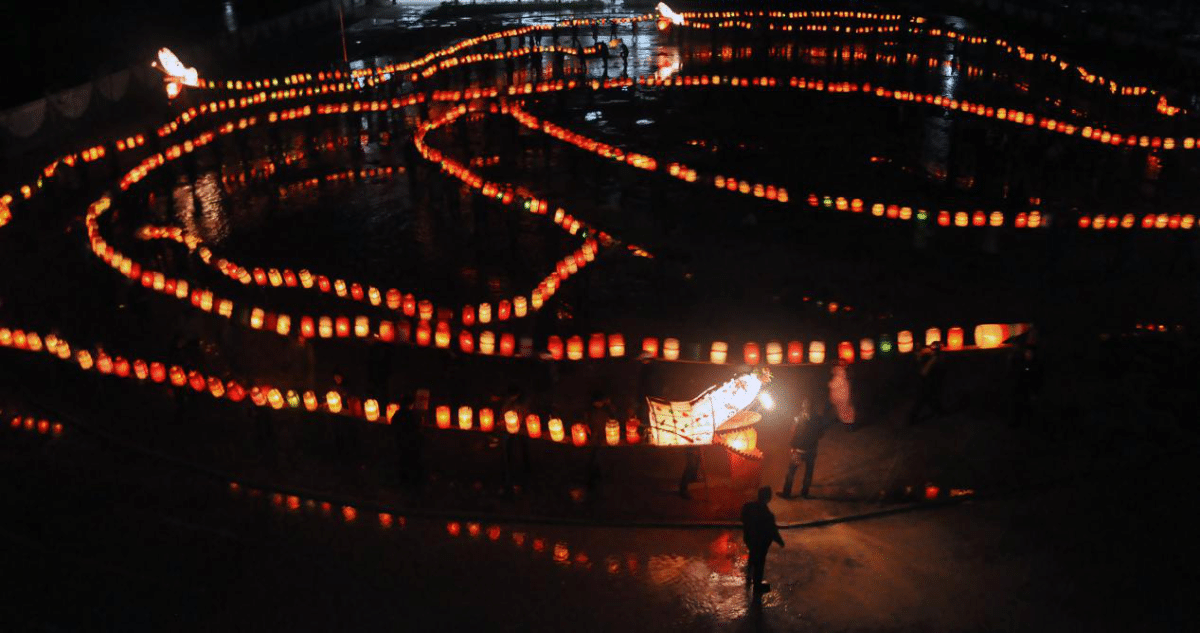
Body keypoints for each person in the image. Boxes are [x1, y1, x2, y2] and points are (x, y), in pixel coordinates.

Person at [781, 400, 834, 498]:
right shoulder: (818, 419)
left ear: (805, 407)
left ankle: (786, 493)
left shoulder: (800, 419)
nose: (803, 407)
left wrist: (792, 447)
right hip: (811, 450)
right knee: (808, 472)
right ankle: (805, 493)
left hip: (799, 450)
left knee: (791, 471)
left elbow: (795, 434)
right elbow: (821, 434)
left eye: (804, 405)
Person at [741, 486, 785, 593]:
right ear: (768, 498)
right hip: (761, 544)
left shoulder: (748, 507)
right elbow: (772, 531)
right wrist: (780, 541)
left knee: (752, 557)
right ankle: (757, 586)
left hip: (749, 539)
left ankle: (748, 577)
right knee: (759, 564)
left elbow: (743, 518)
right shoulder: (768, 515)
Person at [908, 341, 947, 425]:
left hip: (927, 381)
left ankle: (940, 412)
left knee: (926, 398)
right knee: (924, 398)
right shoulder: (915, 358)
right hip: (921, 381)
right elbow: (922, 371)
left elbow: (924, 371)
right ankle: (911, 419)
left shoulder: (933, 357)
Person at [1010, 344, 1043, 428]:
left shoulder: (1034, 365)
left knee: (1027, 407)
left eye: (1030, 353)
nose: (1028, 354)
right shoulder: (1021, 363)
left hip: (1028, 389)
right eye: (1027, 353)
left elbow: (1036, 379)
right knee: (1019, 406)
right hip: (1021, 389)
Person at [391, 394, 422, 485]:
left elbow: (393, 425)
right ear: (411, 405)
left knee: (402, 461)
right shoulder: (412, 415)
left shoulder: (397, 415)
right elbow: (417, 425)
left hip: (400, 442)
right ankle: (412, 482)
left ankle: (403, 480)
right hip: (411, 443)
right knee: (411, 462)